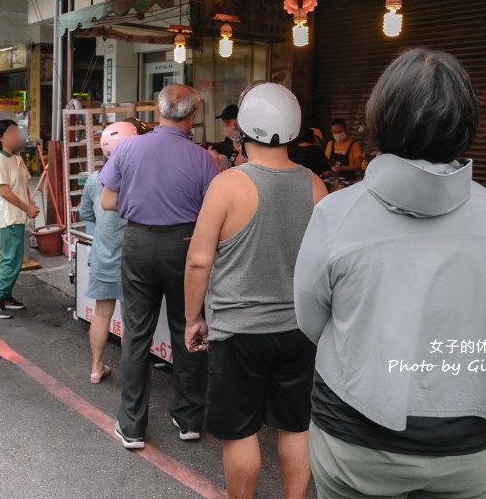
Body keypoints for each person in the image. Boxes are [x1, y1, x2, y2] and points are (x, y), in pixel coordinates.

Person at [294, 49, 486, 499]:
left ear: (382, 118)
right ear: (466, 121)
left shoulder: (338, 212)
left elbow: (311, 321)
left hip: (355, 441)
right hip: (467, 446)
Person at [184, 83, 328, 499]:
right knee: (296, 425)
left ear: (243, 131)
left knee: (241, 431)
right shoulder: (316, 186)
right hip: (300, 331)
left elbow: (198, 261)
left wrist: (195, 318)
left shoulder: (228, 185)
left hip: (239, 331)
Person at [100, 84, 219, 449]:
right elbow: (213, 214)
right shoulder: (203, 158)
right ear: (193, 116)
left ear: (157, 111)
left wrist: (142, 206)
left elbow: (107, 201)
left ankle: (132, 426)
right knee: (189, 327)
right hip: (185, 245)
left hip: (137, 243)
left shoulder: (130, 147)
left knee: (136, 334)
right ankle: (188, 419)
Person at [79, 121, 138, 384]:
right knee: (131, 320)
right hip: (132, 261)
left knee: (101, 314)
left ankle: (95, 368)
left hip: (102, 256)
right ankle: (131, 374)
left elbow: (86, 213)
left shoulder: (94, 179)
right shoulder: (138, 180)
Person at [0, 119, 39, 319]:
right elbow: (5, 191)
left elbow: (23, 185)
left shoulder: (17, 159)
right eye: (13, 132)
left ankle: (5, 296)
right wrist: (26, 207)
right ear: (1, 137)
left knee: (15, 258)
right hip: (8, 217)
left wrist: (29, 207)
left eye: (17, 132)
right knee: (9, 258)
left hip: (18, 215)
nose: (17, 136)